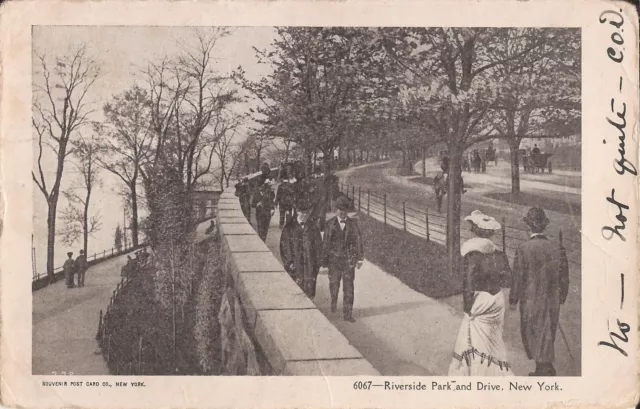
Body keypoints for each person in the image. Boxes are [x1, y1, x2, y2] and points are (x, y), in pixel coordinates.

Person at [449, 210, 513, 376]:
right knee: (494, 339)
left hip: (480, 300)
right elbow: (508, 279)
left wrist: (468, 307)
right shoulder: (499, 254)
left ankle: (479, 375)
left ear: (475, 232)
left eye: (472, 228)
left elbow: (468, 284)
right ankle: (497, 372)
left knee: (476, 340)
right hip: (497, 300)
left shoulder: (471, 254)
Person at [510, 207, 569, 376]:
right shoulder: (557, 248)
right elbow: (564, 277)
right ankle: (543, 367)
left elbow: (518, 277)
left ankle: (544, 370)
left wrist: (513, 299)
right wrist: (562, 296)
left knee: (533, 331)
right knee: (548, 331)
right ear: (544, 226)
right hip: (552, 300)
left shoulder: (523, 248)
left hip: (531, 299)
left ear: (528, 227)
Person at [322, 196, 364, 322]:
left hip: (348, 261)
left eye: (344, 210)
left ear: (347, 211)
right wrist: (324, 260)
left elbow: (358, 241)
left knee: (349, 287)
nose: (342, 212)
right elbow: (326, 243)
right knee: (334, 284)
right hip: (334, 261)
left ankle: (348, 313)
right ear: (336, 210)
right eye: (339, 209)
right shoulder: (329, 224)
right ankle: (333, 301)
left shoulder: (353, 224)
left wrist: (360, 258)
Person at [279, 197, 323, 298]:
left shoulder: (313, 227)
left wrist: (318, 263)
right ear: (297, 212)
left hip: (310, 266)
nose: (306, 215)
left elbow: (319, 246)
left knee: (310, 292)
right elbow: (285, 247)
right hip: (295, 267)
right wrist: (289, 263)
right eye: (303, 213)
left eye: (307, 213)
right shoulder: (289, 228)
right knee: (296, 292)